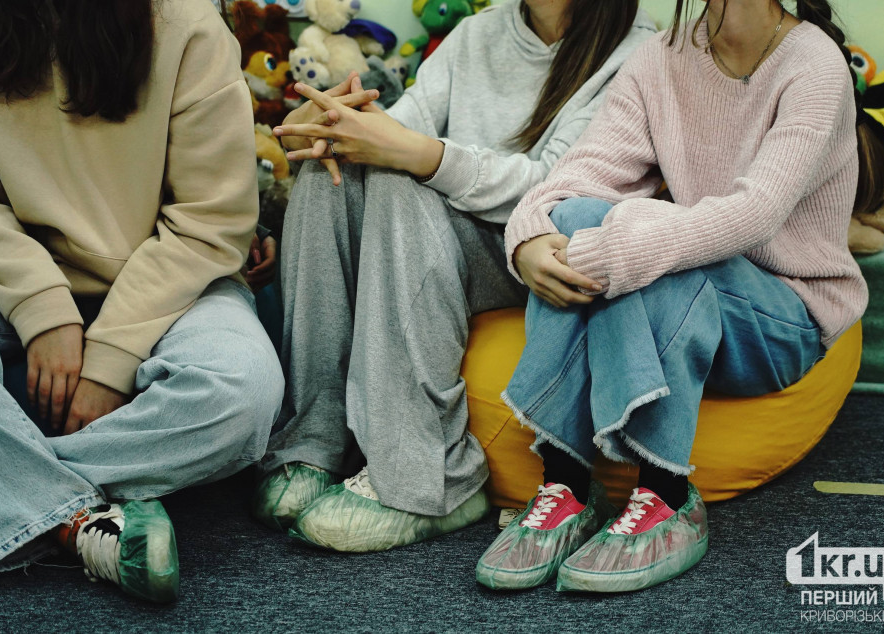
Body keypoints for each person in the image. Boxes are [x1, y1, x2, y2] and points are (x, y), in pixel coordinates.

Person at [476, 0, 884, 592]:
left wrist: (613, 248)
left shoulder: (816, 64)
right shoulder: (661, 57)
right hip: (699, 288)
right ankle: (566, 486)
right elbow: (576, 177)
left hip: (784, 314)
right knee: (578, 215)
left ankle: (667, 495)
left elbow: (755, 214)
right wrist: (528, 241)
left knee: (651, 244)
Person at [253, 0, 657, 552]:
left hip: (534, 246)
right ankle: (313, 442)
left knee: (398, 181)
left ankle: (432, 477)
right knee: (329, 173)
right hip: (447, 222)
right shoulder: (477, 32)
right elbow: (402, 126)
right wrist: (331, 127)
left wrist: (425, 156)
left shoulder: (635, 50)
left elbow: (559, 185)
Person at [0, 0, 283, 602]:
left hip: (178, 283)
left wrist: (112, 357)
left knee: (243, 392)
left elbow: (209, 222)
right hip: (12, 273)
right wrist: (42, 306)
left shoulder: (187, 25)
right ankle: (77, 521)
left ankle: (27, 494)